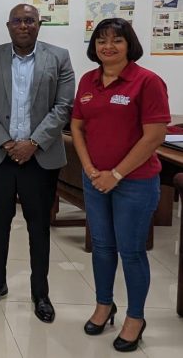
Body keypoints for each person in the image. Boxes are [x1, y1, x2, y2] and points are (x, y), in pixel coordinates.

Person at [71, 18, 169, 352]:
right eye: (101, 40)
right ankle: (104, 304)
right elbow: (78, 127)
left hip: (135, 183)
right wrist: (89, 168)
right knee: (101, 247)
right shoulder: (88, 80)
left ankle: (136, 317)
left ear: (130, 44)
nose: (108, 46)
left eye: (116, 40)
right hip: (95, 179)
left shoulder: (147, 82)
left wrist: (115, 174)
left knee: (131, 251)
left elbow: (154, 135)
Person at [0, 3, 74, 323]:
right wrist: (6, 142)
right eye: (17, 21)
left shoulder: (58, 57)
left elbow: (63, 106)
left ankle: (39, 292)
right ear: (8, 25)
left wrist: (33, 143)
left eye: (29, 20)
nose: (23, 25)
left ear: (39, 24)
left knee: (38, 227)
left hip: (39, 158)